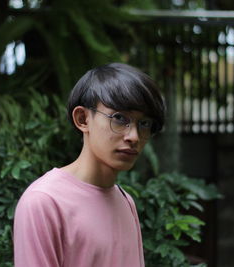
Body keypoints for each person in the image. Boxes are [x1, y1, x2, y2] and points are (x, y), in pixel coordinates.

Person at [13, 62, 165, 267]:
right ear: (83, 119)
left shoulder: (126, 201)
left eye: (144, 124)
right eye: (119, 118)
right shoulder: (44, 202)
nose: (134, 136)